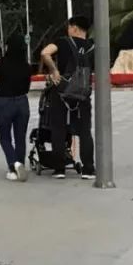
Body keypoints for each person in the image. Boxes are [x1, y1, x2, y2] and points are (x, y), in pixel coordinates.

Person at [41, 16, 96, 180]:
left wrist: (54, 70)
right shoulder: (93, 46)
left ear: (75, 28)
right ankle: (88, 169)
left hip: (61, 91)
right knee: (85, 131)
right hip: (83, 93)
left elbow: (45, 53)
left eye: (69, 27)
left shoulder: (63, 42)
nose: (68, 30)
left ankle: (59, 169)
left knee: (58, 129)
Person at [0, 34, 33, 181]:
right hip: (22, 102)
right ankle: (20, 165)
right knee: (20, 138)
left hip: (4, 102)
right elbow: (27, 87)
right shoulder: (26, 66)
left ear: (8, 47)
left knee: (5, 137)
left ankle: (13, 165)